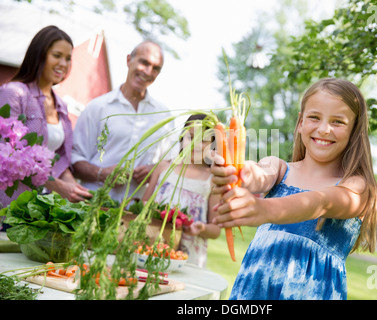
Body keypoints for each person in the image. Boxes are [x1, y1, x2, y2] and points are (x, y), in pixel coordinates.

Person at [211, 78, 377, 300]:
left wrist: (263, 209)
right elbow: (258, 174)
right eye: (314, 117)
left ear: (354, 131)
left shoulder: (357, 187)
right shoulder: (280, 169)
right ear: (300, 123)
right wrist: (237, 173)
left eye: (338, 121)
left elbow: (322, 202)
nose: (324, 129)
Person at [0, 25, 92, 214]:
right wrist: (57, 185)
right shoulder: (14, 93)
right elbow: (7, 157)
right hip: (8, 205)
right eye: (57, 55)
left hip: (39, 209)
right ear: (39, 54)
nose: (63, 64)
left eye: (68, 58)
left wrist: (76, 190)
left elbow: (59, 159)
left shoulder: (61, 106)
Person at [71, 40, 177, 201]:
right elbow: (75, 158)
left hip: (134, 213)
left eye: (156, 68)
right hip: (91, 205)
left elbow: (171, 165)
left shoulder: (164, 117)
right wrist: (101, 173)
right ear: (129, 60)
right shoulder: (98, 107)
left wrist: (154, 171)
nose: (148, 72)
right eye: (144, 62)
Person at [142, 114, 221, 268]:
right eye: (191, 137)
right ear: (182, 138)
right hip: (152, 244)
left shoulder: (212, 180)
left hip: (187, 257)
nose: (196, 144)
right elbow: (144, 203)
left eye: (203, 140)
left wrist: (201, 228)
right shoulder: (164, 167)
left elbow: (216, 230)